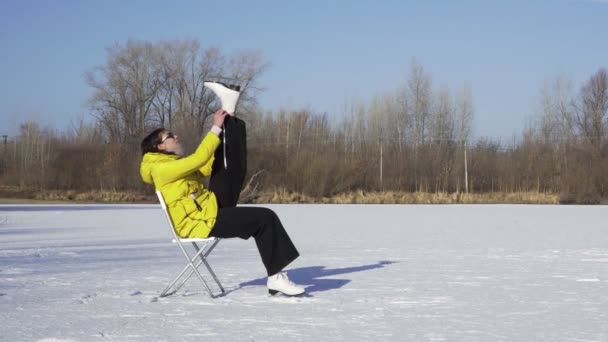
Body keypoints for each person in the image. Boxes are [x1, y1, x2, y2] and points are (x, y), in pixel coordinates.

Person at [140, 109, 305, 296]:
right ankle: (275, 278)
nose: (175, 136)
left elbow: (204, 166)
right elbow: (198, 159)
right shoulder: (161, 169)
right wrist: (215, 128)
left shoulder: (170, 165)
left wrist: (221, 143)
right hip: (198, 223)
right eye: (170, 135)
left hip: (207, 210)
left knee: (227, 165)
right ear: (159, 146)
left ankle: (231, 123)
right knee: (265, 217)